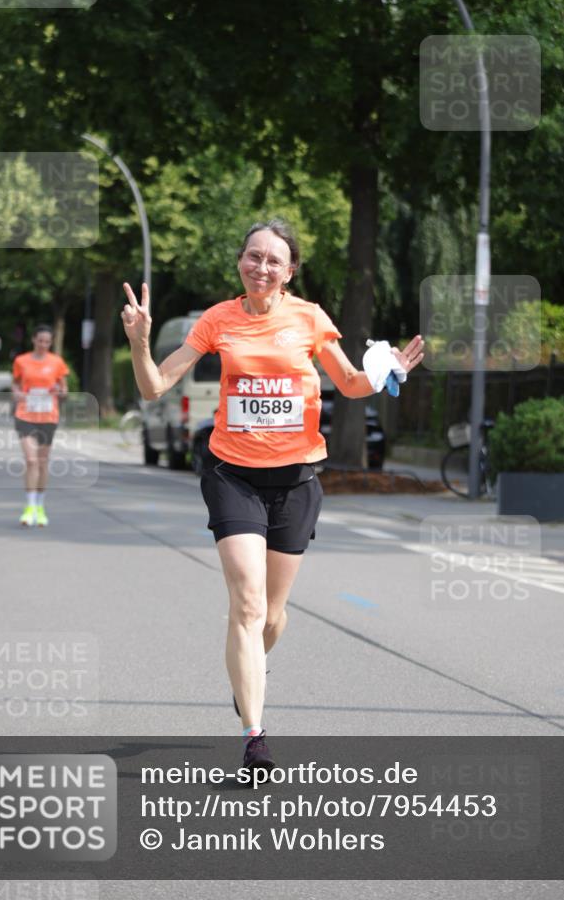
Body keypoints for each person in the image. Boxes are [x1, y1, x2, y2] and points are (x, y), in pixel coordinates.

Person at [121, 218, 424, 771]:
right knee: (248, 602)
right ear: (241, 261)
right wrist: (140, 343)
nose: (261, 266)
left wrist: (386, 371)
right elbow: (154, 386)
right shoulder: (218, 319)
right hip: (232, 474)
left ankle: (248, 671)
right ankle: (254, 735)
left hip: (296, 481)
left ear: (289, 272)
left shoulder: (309, 318)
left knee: (273, 617)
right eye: (252, 256)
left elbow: (352, 383)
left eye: (273, 260)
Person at [12, 325, 69, 527]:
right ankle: (29, 507)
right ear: (34, 340)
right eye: (40, 340)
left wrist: (59, 391)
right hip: (25, 415)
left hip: (48, 417)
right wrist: (17, 394)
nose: (43, 344)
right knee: (31, 460)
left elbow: (65, 392)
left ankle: (40, 506)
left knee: (43, 462)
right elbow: (16, 385)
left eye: (47, 341)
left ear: (50, 343)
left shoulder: (57, 362)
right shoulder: (21, 361)